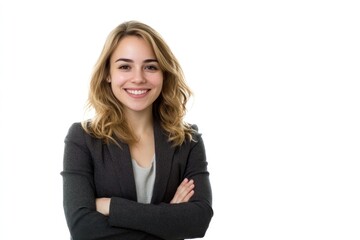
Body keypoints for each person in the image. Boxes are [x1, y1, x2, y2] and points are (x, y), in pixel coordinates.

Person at [61, 20, 213, 240]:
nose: (139, 78)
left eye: (151, 66)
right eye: (125, 66)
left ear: (164, 74)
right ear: (108, 73)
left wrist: (111, 206)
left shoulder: (188, 141)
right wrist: (169, 219)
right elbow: (83, 229)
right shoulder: (83, 139)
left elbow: (198, 221)